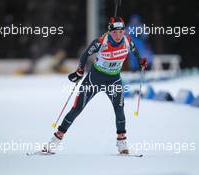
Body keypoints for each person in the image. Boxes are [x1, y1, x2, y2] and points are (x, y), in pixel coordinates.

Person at [44, 17, 148, 154]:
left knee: (119, 109)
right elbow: (85, 54)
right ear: (110, 31)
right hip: (95, 79)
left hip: (114, 80)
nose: (118, 35)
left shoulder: (127, 40)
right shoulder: (101, 41)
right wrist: (80, 70)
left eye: (121, 32)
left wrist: (141, 61)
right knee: (77, 108)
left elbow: (135, 51)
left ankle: (122, 142)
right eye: (115, 32)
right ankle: (55, 140)